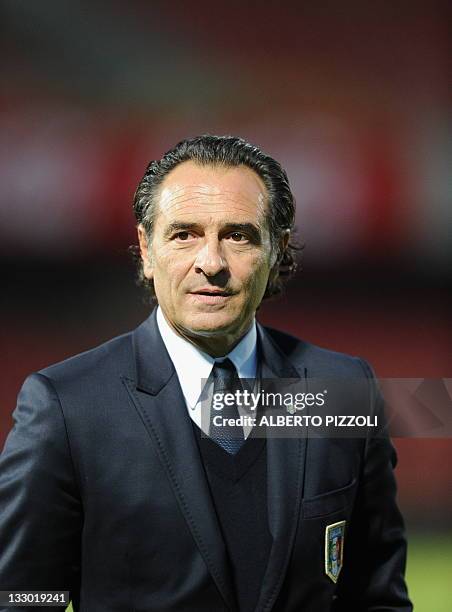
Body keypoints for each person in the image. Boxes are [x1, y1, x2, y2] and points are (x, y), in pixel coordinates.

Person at [0, 135, 412, 611]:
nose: (211, 262)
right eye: (184, 234)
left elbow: (377, 595)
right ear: (146, 248)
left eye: (237, 235)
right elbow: (22, 597)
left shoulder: (344, 391)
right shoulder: (67, 406)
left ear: (276, 250)